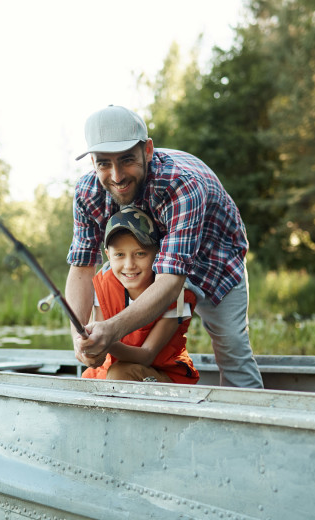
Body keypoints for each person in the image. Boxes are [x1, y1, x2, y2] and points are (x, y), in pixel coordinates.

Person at [66, 104, 264, 388]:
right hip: (149, 260)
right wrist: (80, 337)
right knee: (99, 343)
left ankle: (251, 426)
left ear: (147, 150)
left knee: (232, 349)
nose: (117, 176)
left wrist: (110, 331)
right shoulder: (87, 192)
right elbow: (83, 268)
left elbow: (171, 280)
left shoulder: (181, 185)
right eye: (104, 163)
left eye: (127, 160)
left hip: (215, 260)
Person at [78, 206, 199, 384]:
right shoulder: (102, 285)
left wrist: (106, 341)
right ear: (108, 256)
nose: (129, 265)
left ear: (157, 254)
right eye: (119, 254)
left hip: (165, 374)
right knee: (91, 379)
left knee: (119, 374)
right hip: (113, 369)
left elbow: (147, 355)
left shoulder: (179, 294)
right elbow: (100, 338)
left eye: (140, 253)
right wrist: (92, 348)